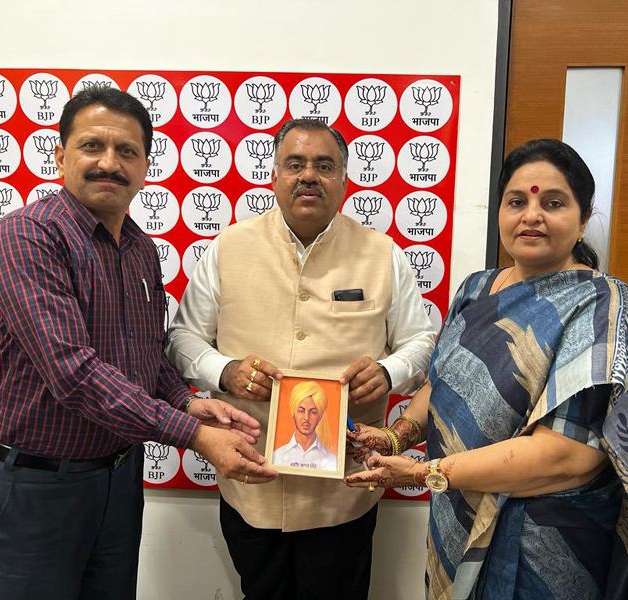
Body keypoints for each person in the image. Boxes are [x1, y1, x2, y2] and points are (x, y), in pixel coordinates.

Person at [0, 87, 277, 600]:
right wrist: (192, 435)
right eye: (92, 146)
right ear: (61, 154)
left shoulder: (138, 249)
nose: (109, 163)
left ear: (145, 165)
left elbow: (144, 358)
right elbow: (73, 373)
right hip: (32, 486)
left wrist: (191, 404)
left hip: (117, 478)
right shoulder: (26, 238)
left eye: (127, 151)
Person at [345, 139, 628, 599]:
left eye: (553, 203)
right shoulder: (476, 289)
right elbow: (443, 385)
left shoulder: (604, 307)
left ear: (583, 221)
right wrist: (395, 436)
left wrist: (425, 473)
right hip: (457, 516)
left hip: (548, 540)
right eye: (517, 201)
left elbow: (568, 457)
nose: (531, 215)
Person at [165, 118, 436, 599]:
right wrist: (224, 371)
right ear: (273, 174)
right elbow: (183, 338)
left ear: (345, 179)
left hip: (345, 490)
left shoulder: (383, 253)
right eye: (295, 164)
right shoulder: (227, 248)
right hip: (252, 477)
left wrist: (389, 371)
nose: (308, 175)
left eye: (324, 165)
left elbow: (421, 341)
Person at [272, 380, 336, 471]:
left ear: (319, 417)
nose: (306, 417)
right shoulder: (276, 456)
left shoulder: (333, 460)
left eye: (313, 412)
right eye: (301, 411)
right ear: (293, 414)